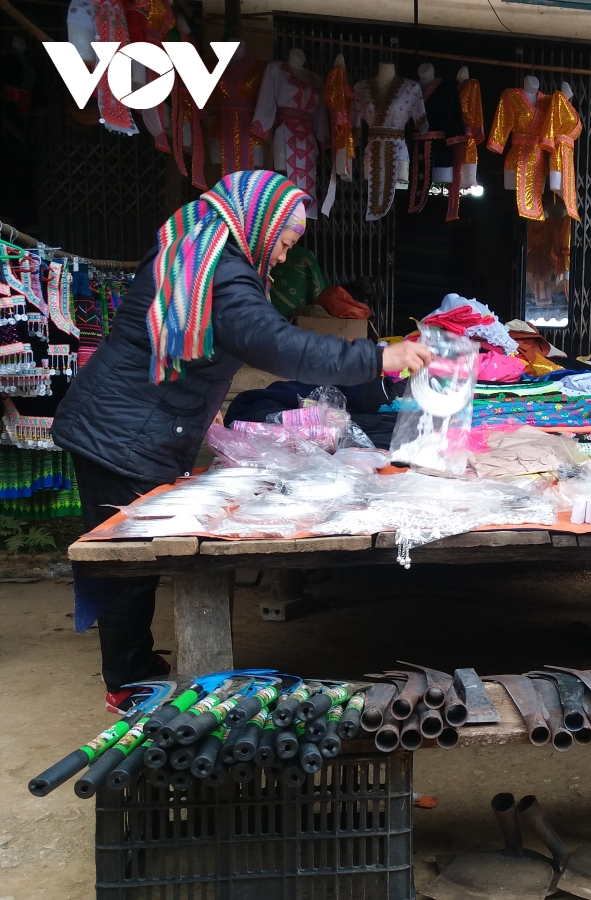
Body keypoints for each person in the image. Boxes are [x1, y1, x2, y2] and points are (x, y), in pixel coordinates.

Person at [53, 170, 433, 711]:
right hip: (122, 433)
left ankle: (133, 661)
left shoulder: (196, 247)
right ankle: (127, 683)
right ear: (259, 223)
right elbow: (276, 345)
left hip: (130, 423)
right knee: (127, 568)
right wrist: (378, 357)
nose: (283, 256)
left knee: (134, 562)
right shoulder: (222, 270)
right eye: (285, 241)